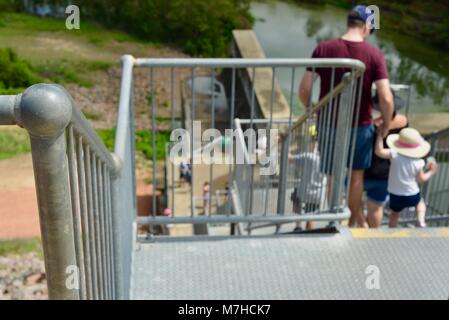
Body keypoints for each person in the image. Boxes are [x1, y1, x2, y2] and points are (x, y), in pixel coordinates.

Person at [299, 5, 394, 227]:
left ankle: (333, 218)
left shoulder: (323, 48)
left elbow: (304, 89)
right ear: (367, 26)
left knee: (332, 174)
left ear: (349, 22)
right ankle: (350, 221)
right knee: (356, 175)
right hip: (360, 126)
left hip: (328, 123)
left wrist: (312, 109)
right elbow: (386, 98)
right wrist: (386, 125)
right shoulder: (374, 55)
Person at [375, 127, 438, 227]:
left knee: (394, 214)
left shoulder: (394, 154)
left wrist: (379, 135)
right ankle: (420, 221)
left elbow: (379, 151)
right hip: (412, 193)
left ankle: (391, 230)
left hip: (395, 194)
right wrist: (431, 172)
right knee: (420, 204)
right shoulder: (418, 162)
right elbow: (421, 179)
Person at [363, 91, 408, 227]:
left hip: (368, 171)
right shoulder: (404, 122)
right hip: (389, 173)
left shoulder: (373, 124)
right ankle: (373, 237)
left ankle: (362, 224)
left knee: (349, 190)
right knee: (376, 208)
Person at [289, 125, 324, 231]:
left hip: (305, 192)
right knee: (311, 216)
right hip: (318, 193)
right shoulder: (324, 157)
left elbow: (290, 159)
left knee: (295, 197)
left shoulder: (308, 156)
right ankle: (310, 233)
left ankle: (298, 225)